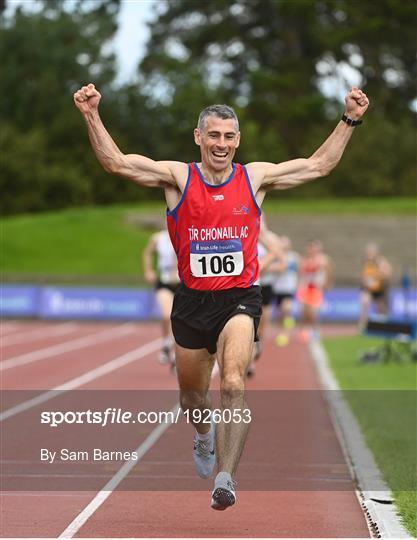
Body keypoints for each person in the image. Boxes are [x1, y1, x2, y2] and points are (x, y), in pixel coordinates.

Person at [74, 82, 369, 510]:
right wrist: (90, 114)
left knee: (233, 382)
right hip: (192, 302)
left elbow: (317, 165)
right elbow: (117, 164)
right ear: (198, 137)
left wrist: (350, 119)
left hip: (240, 299)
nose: (222, 144)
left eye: (229, 136)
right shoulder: (178, 177)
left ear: (238, 140)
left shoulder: (255, 177)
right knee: (194, 399)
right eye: (213, 135)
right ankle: (203, 434)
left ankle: (226, 478)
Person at [143, 228, 179, 368]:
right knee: (166, 315)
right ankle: (166, 343)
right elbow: (147, 253)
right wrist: (148, 271)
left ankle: (176, 353)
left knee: (179, 320)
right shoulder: (158, 238)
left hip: (181, 283)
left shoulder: (185, 233)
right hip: (164, 282)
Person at [297, 239, 332, 342]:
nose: (312, 250)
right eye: (311, 247)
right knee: (304, 312)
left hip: (316, 289)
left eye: (314, 247)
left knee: (312, 313)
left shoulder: (323, 260)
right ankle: (303, 331)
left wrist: (327, 284)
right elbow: (301, 274)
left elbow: (330, 272)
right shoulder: (304, 260)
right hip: (305, 288)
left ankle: (315, 331)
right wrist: (299, 286)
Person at [272, 236, 300, 346]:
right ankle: (281, 332)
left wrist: (298, 285)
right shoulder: (275, 256)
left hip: (289, 287)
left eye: (286, 243)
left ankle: (285, 334)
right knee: (279, 314)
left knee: (286, 308)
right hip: (278, 287)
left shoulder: (294, 257)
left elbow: (298, 272)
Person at [359, 242, 392, 328]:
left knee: (380, 308)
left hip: (379, 288)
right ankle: (363, 325)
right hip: (368, 288)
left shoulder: (381, 261)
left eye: (371, 251)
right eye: (368, 251)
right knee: (364, 303)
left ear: (376, 252)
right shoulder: (365, 261)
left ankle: (382, 324)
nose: (369, 253)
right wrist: (365, 280)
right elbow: (364, 274)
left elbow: (388, 273)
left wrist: (376, 275)